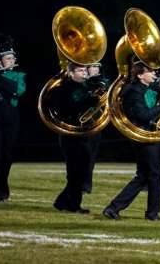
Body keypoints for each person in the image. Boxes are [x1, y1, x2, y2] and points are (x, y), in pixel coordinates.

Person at [102, 59, 160, 221]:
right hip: (143, 136)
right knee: (155, 174)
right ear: (141, 75)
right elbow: (142, 115)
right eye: (151, 71)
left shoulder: (147, 88)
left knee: (143, 176)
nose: (155, 73)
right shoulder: (133, 91)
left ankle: (113, 208)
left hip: (147, 134)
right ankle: (152, 213)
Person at [52, 62, 100, 214]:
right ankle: (73, 205)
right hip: (70, 134)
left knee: (84, 169)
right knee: (74, 171)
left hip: (84, 133)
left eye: (85, 70)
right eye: (80, 70)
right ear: (71, 73)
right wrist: (88, 101)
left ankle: (62, 201)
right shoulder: (63, 88)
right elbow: (66, 109)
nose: (85, 72)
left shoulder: (86, 87)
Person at [0, 34, 26, 202]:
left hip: (11, 118)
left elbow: (17, 90)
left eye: (12, 58)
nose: (10, 61)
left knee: (7, 154)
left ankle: (2, 189)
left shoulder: (19, 75)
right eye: (7, 58)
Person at [81, 63, 108, 194]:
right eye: (92, 66)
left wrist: (91, 80)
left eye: (97, 67)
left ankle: (86, 185)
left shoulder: (102, 82)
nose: (95, 69)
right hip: (79, 122)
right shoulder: (80, 81)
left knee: (90, 155)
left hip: (95, 122)